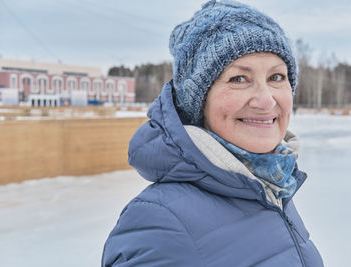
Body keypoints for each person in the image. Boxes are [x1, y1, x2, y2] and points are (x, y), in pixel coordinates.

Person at [102, 0, 324, 266]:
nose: (266, 101)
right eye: (238, 79)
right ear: (199, 102)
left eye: (276, 77)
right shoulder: (160, 225)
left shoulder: (271, 187)